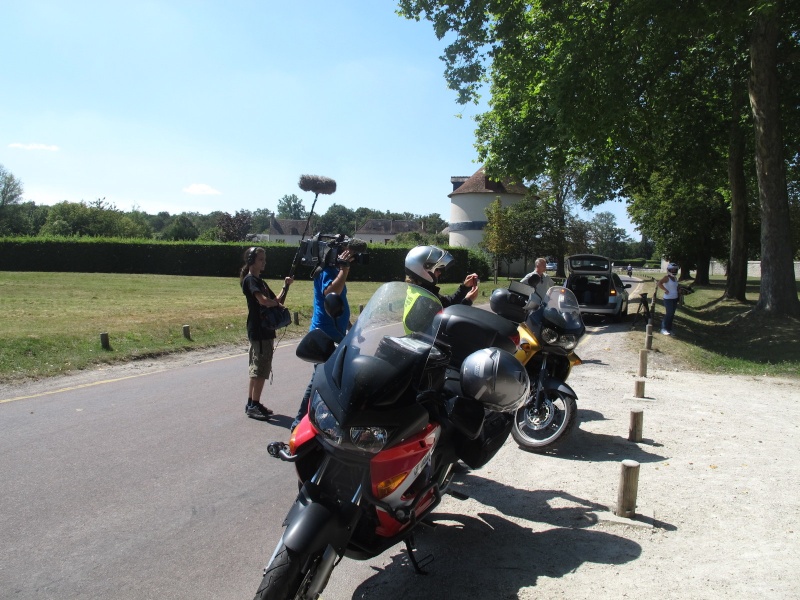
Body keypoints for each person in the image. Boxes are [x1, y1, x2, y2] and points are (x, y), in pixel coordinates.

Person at [290, 239, 355, 430]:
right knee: (319, 380)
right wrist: (344, 270)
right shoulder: (327, 271)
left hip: (335, 332)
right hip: (323, 335)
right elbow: (330, 293)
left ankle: (322, 417)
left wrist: (349, 325)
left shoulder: (334, 271)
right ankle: (299, 421)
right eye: (342, 253)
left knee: (333, 378)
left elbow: (337, 301)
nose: (346, 256)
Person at [240, 246, 293, 420]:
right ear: (251, 261)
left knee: (257, 368)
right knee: (260, 369)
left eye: (264, 259)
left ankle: (252, 403)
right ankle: (253, 405)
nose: (264, 262)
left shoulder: (260, 281)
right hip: (259, 330)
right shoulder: (250, 281)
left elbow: (276, 300)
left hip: (265, 330)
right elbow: (263, 301)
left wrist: (285, 287)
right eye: (261, 259)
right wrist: (276, 304)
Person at [404, 245, 479, 307]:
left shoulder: (417, 291)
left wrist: (464, 287)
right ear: (423, 269)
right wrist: (468, 301)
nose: (439, 273)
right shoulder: (425, 301)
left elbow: (447, 303)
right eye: (437, 269)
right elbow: (447, 321)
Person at [657, 263, 680, 336]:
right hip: (668, 298)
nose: (673, 271)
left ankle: (669, 329)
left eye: (675, 269)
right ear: (669, 270)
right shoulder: (666, 277)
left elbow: (675, 287)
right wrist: (665, 290)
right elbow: (659, 283)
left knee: (672, 315)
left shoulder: (675, 278)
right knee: (669, 314)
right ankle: (663, 328)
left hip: (675, 298)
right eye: (672, 269)